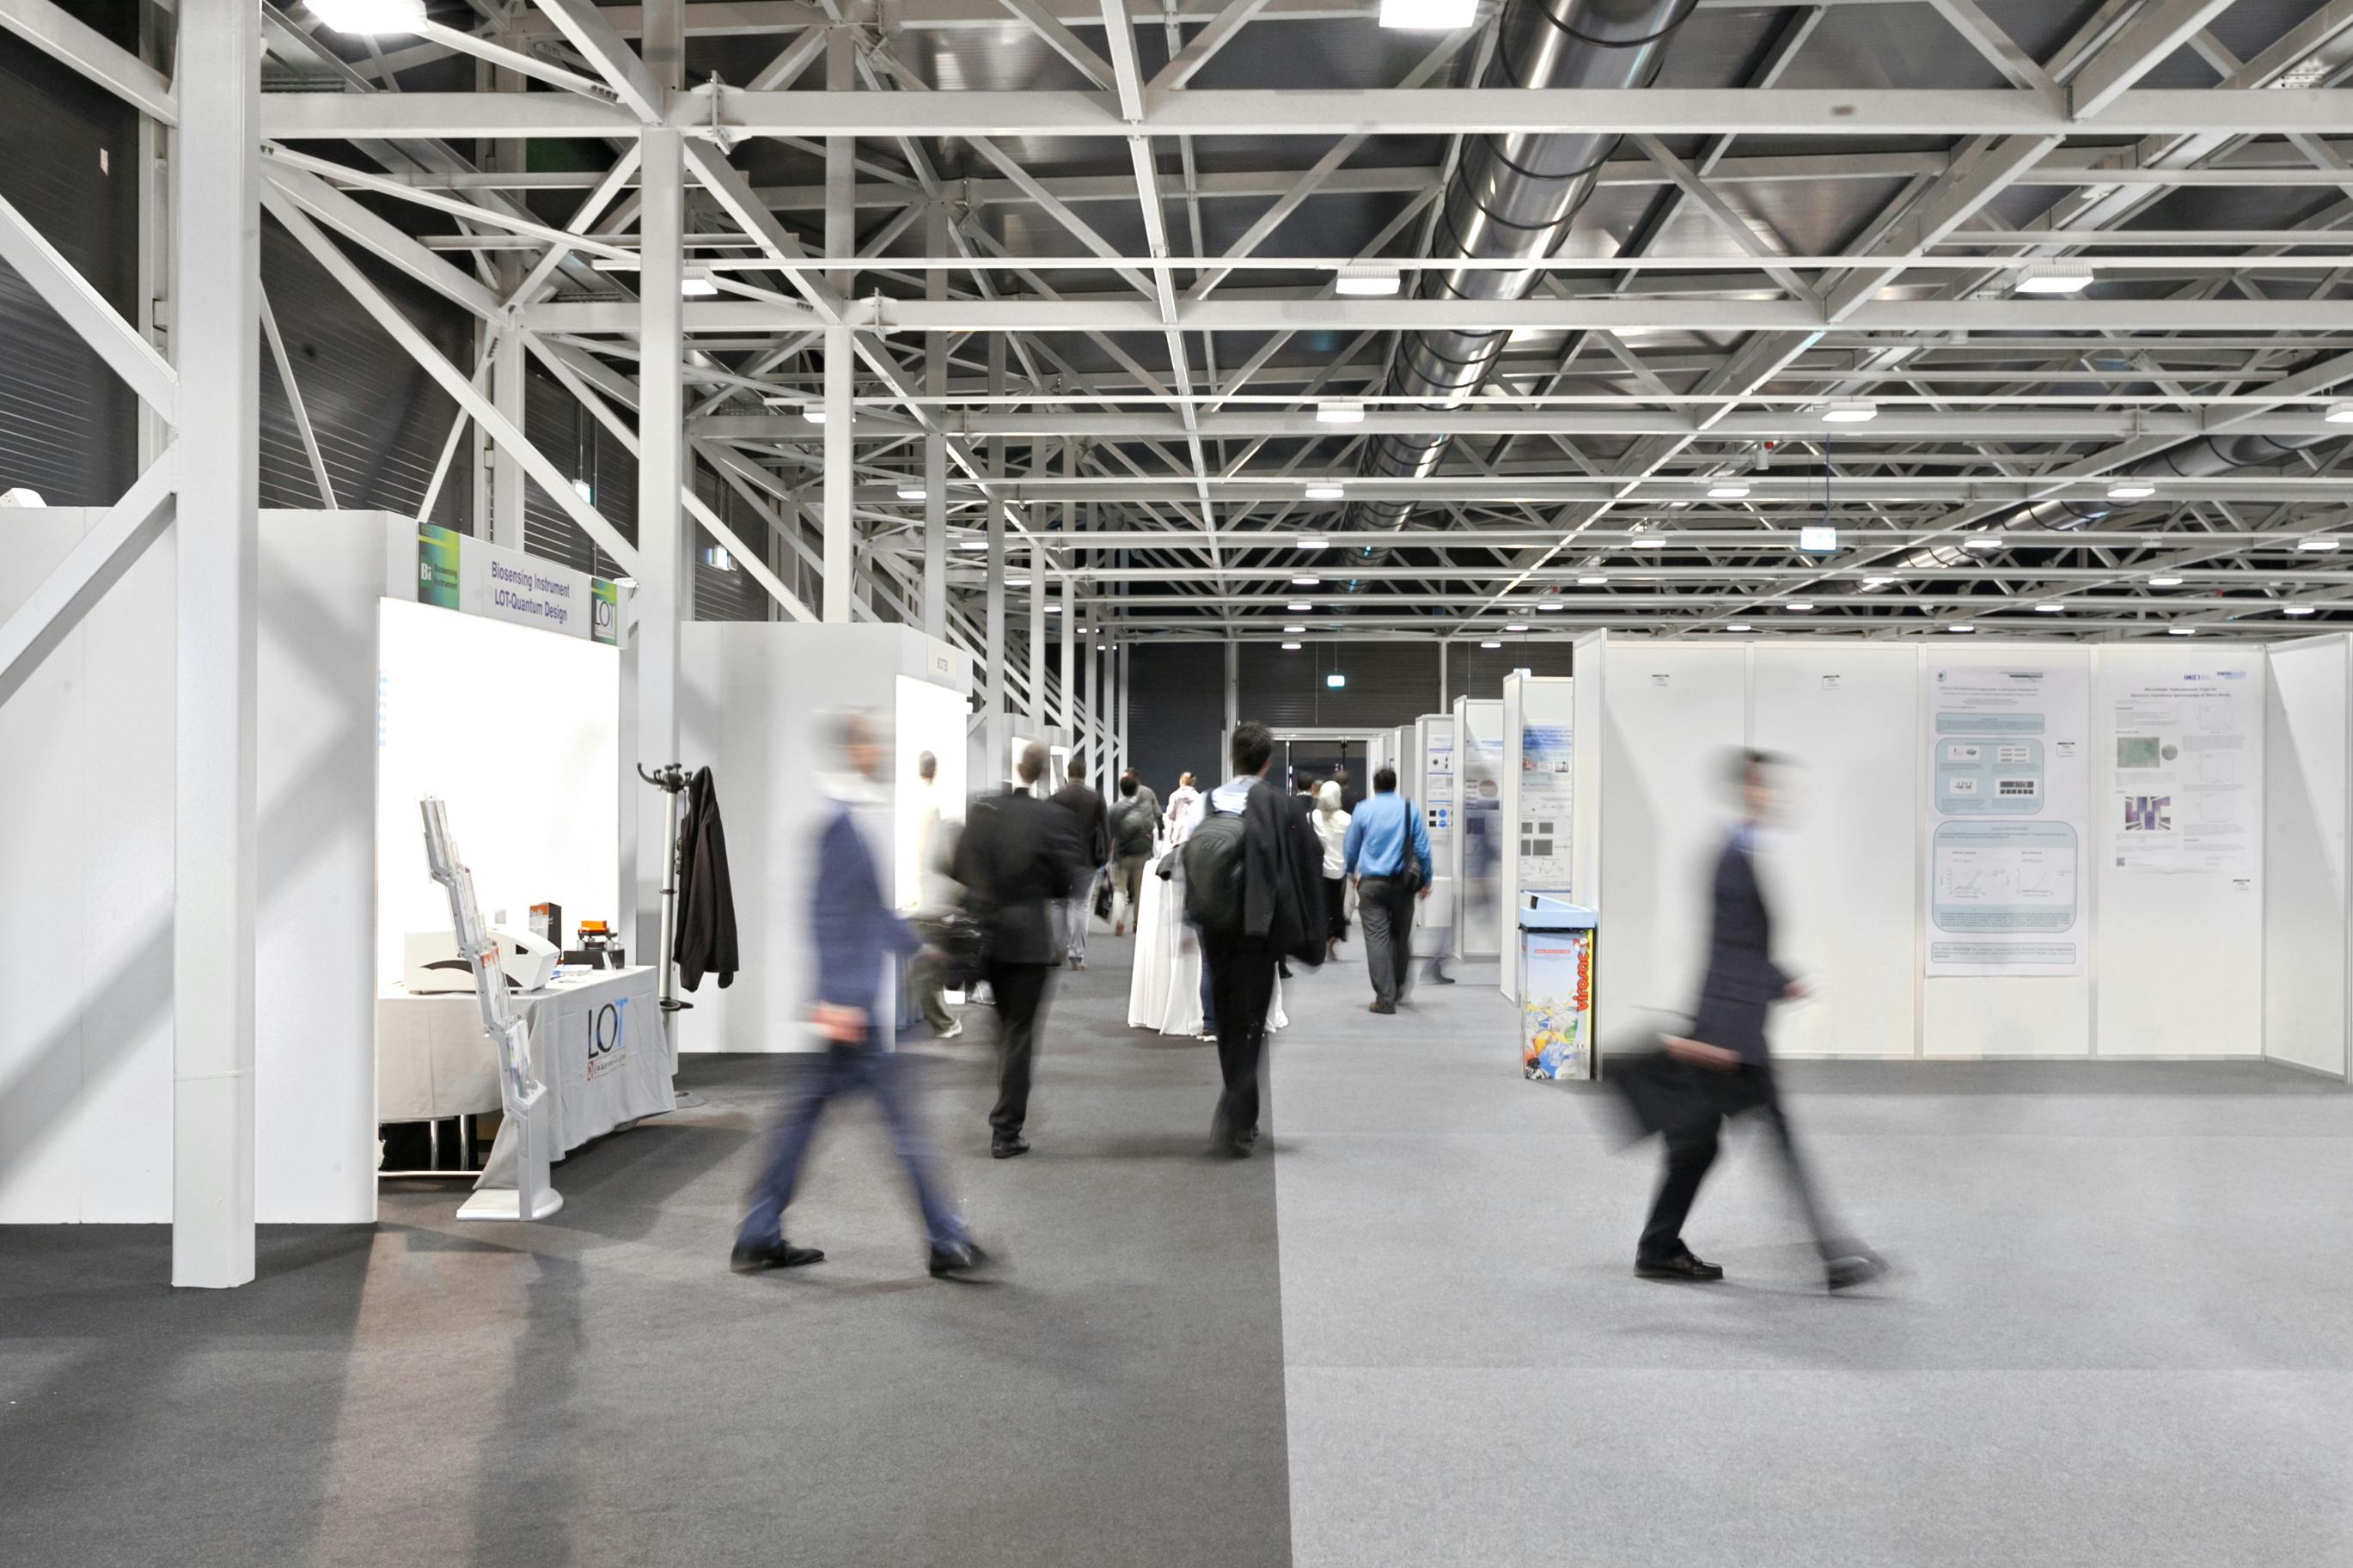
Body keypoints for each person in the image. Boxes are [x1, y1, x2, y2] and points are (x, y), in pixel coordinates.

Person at [731, 711, 990, 1279]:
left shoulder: (849, 820)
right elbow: (826, 916)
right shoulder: (838, 826)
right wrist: (839, 997)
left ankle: (759, 1230)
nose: (883, 751)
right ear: (853, 750)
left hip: (847, 1011)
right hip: (852, 1013)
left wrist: (917, 946)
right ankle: (947, 1238)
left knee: (800, 1125)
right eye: (874, 743)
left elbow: (868, 910)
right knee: (904, 1126)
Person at [1634, 748, 1885, 1292]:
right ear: (1747, 789)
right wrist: (1726, 1037)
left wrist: (1777, 980)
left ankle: (1657, 1247)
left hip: (1728, 1025)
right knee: (1775, 1143)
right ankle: (1833, 1257)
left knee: (1696, 1145)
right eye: (1766, 786)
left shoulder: (1739, 851)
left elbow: (1740, 949)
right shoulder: (1732, 857)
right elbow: (1729, 950)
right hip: (1733, 1037)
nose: (1775, 796)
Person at [1194, 721, 1327, 1157]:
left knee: (1228, 1023)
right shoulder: (1281, 806)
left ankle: (1242, 1116)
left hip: (1215, 926)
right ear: (1268, 761)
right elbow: (1310, 857)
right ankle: (1234, 1117)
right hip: (1257, 929)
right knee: (1252, 1023)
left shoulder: (1208, 801)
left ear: (1232, 756)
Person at [956, 742, 1085, 1158]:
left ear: (1017, 766)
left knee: (1005, 1027)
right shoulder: (1051, 818)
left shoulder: (984, 812)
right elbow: (1071, 879)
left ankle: (1005, 1103)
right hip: (1029, 938)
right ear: (1045, 771)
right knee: (1019, 1032)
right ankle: (1006, 1130)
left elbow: (960, 867)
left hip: (988, 938)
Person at [1343, 766, 1432, 1014]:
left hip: (1372, 884)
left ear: (1375, 786)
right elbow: (1423, 848)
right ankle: (1399, 985)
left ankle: (1385, 996)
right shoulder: (1409, 808)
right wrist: (1426, 878)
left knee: (1376, 939)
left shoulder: (1363, 810)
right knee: (1401, 936)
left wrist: (1350, 871)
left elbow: (1351, 846)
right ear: (1394, 785)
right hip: (1403, 884)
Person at [907, 749, 963, 1040]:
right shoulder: (933, 804)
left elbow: (929, 856)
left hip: (932, 900)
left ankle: (945, 1022)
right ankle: (945, 1020)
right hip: (935, 899)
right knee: (928, 965)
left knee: (925, 968)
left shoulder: (927, 806)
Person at [1048, 758, 1109, 971]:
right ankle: (1077, 956)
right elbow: (1105, 830)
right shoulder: (1096, 798)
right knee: (1082, 906)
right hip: (1086, 860)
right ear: (1084, 773)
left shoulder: (1056, 798)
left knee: (1059, 904)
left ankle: (1058, 951)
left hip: (1059, 861)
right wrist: (1104, 859)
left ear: (1069, 772)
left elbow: (1048, 830)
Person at [1106, 773, 1158, 937]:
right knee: (1139, 890)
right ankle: (1137, 924)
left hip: (1121, 854)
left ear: (1121, 789)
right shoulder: (1143, 808)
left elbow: (1108, 833)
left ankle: (1120, 923)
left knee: (1120, 890)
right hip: (1141, 853)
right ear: (1136, 789)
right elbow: (1150, 828)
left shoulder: (1114, 809)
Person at [1311, 781, 1352, 960]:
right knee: (1338, 907)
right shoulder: (1347, 819)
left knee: (1321, 906)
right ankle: (1333, 937)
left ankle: (1321, 937)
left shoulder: (1314, 816)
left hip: (1320, 870)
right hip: (1340, 870)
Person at [1166, 771, 1203, 844]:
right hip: (1194, 834)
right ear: (1193, 782)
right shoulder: (1199, 797)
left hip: (1178, 834)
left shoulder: (1175, 795)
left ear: (1181, 780)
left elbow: (1170, 815)